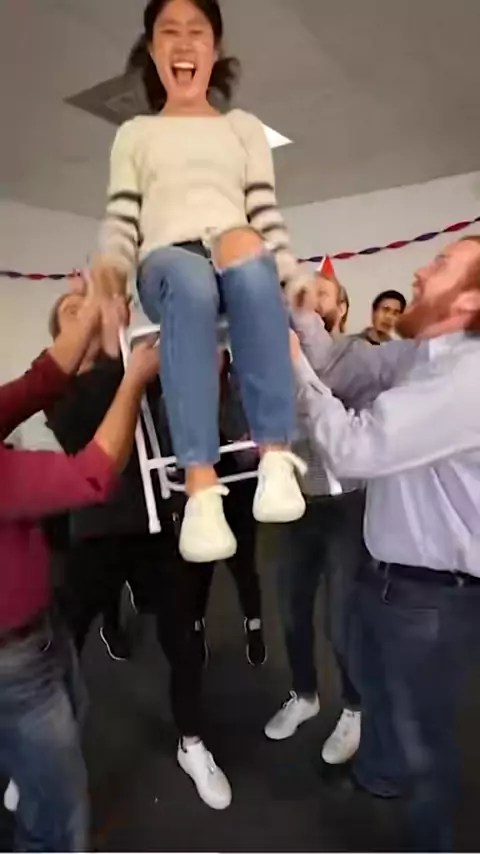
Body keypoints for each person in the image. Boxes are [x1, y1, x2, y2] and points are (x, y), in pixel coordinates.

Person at [88, 0, 314, 564]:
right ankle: (200, 485)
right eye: (170, 32)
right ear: (153, 50)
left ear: (214, 50)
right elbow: (121, 219)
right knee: (191, 282)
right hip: (166, 261)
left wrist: (291, 272)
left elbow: (264, 212)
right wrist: (109, 281)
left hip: (234, 251)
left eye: (197, 32)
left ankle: (275, 456)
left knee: (250, 255)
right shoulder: (136, 133)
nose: (184, 43)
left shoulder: (243, 129)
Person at [291, 237, 480, 851]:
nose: (421, 271)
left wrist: (295, 371)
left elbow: (353, 450)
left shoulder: (469, 377)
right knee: (377, 692)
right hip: (388, 575)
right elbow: (345, 369)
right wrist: (302, 310)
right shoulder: (424, 353)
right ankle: (377, 775)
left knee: (427, 751)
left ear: (470, 300)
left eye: (442, 266)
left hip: (433, 599)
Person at [46, 291, 233, 811]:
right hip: (94, 536)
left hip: (157, 532)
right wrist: (120, 349)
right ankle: (48, 756)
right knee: (61, 649)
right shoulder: (60, 390)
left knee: (184, 641)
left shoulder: (137, 363)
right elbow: (95, 438)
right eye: (73, 311)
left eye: (90, 303)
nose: (89, 310)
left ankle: (192, 743)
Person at [0, 296, 159, 852]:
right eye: (65, 315)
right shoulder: (80, 400)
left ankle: (27, 774)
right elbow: (92, 475)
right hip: (13, 659)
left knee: (74, 706)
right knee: (60, 815)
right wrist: (132, 378)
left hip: (38, 634)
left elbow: (35, 384)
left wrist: (91, 314)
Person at [264, 283, 364, 765]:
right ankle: (304, 695)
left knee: (342, 622)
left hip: (347, 505)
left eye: (322, 293)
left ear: (341, 308)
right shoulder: (279, 359)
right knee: (290, 609)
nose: (308, 299)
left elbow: (338, 407)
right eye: (300, 294)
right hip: (298, 502)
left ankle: (355, 707)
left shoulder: (357, 356)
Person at [159, 346, 267, 667]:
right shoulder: (175, 394)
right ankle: (196, 628)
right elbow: (170, 451)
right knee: (197, 569)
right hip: (198, 493)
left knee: (243, 564)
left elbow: (246, 442)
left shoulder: (240, 386)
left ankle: (254, 624)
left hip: (237, 488)